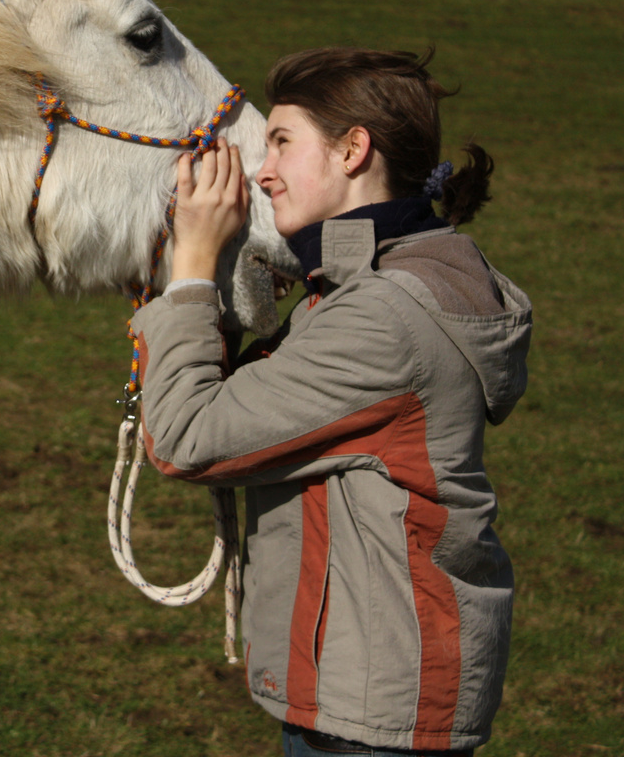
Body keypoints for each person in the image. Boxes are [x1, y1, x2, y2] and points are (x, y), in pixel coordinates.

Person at [131, 48, 532, 757]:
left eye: (282, 142)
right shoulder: (381, 281)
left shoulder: (381, 318)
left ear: (353, 151)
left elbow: (188, 437)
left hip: (372, 717)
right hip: (372, 691)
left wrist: (191, 268)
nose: (263, 171)